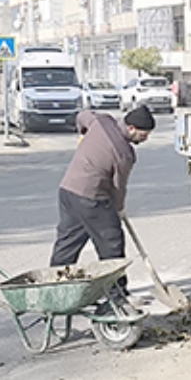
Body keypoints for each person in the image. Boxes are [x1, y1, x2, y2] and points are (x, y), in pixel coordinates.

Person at [49, 105, 156, 295]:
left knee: (67, 242)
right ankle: (117, 295)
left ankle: (55, 288)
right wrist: (119, 208)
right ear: (131, 128)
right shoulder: (124, 154)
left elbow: (82, 116)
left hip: (68, 191)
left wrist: (82, 135)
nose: (145, 139)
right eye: (143, 135)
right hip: (91, 199)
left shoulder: (102, 121)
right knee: (111, 243)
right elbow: (118, 186)